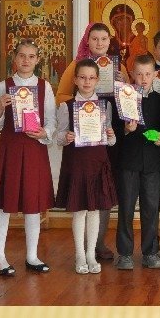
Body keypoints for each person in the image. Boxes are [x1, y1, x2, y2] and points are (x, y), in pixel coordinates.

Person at [56, 23, 127, 262]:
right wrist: (83, 111)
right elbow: (61, 96)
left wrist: (122, 83)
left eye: (104, 39)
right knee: (83, 196)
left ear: (109, 41)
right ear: (88, 41)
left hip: (108, 133)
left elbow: (129, 97)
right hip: (81, 136)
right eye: (95, 39)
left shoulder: (118, 66)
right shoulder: (76, 66)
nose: (99, 43)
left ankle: (98, 243)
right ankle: (83, 248)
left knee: (103, 190)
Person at [0, 39, 56, 276]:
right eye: (22, 55)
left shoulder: (44, 86)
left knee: (32, 202)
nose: (26, 60)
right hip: (10, 148)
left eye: (31, 56)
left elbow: (51, 120)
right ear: (14, 58)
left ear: (37, 60)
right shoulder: (4, 85)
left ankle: (32, 255)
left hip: (34, 149)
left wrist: (44, 132)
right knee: (3, 203)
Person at [115, 54, 160, 270]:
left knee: (151, 209)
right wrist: (126, 129)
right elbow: (113, 130)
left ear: (155, 75)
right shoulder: (122, 98)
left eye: (148, 74)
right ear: (132, 74)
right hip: (128, 161)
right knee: (126, 208)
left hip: (152, 163)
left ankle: (150, 252)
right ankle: (125, 253)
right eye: (139, 74)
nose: (143, 79)